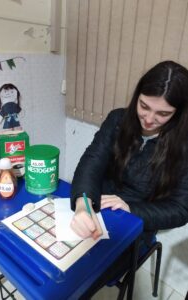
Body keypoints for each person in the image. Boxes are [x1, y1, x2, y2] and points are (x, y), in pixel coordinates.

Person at [70, 60, 188, 297]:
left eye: (163, 113)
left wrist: (130, 208)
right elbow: (91, 163)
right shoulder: (117, 120)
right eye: (143, 106)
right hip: (98, 206)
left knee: (76, 281)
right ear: (137, 97)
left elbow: (181, 209)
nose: (149, 119)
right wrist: (84, 205)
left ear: (179, 112)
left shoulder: (184, 145)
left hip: (138, 225)